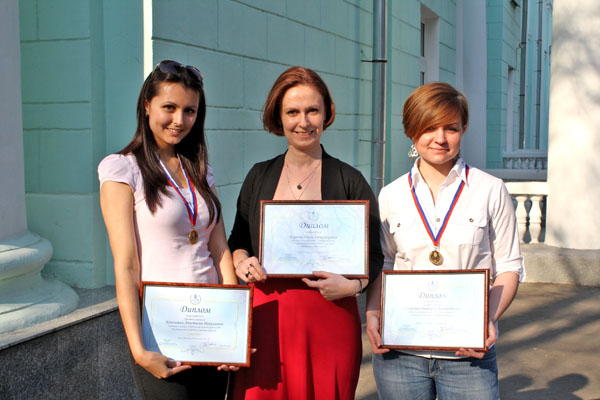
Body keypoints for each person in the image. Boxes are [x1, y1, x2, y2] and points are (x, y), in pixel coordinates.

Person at [228, 66, 384, 399]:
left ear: (326, 113)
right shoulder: (258, 176)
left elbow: (375, 254)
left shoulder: (349, 180)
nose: (304, 122)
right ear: (278, 116)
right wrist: (241, 262)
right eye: (292, 112)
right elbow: (237, 241)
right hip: (267, 319)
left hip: (331, 317)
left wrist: (354, 285)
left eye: (312, 110)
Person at [366, 82, 525, 400]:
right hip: (400, 354)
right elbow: (385, 263)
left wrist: (486, 319)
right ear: (411, 131)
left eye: (450, 128)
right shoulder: (391, 195)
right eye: (429, 128)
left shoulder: (490, 190)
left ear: (463, 129)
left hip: (468, 355)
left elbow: (509, 266)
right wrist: (372, 311)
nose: (440, 138)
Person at [98, 60, 237, 400]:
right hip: (162, 333)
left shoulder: (200, 171)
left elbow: (220, 250)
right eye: (169, 107)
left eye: (190, 111)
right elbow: (126, 265)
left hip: (212, 328)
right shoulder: (122, 169)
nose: (179, 120)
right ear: (147, 105)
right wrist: (139, 350)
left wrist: (235, 331)